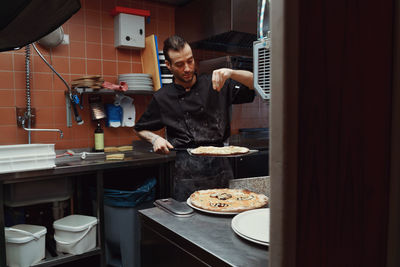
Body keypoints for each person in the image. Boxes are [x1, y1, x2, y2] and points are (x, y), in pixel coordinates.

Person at [133, 35, 255, 200]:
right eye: (180, 64)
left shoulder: (215, 83)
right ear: (168, 65)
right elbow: (140, 128)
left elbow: (255, 83)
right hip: (186, 173)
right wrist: (155, 139)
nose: (188, 68)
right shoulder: (162, 97)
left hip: (221, 166)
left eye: (190, 61)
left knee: (226, 214)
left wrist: (232, 73)